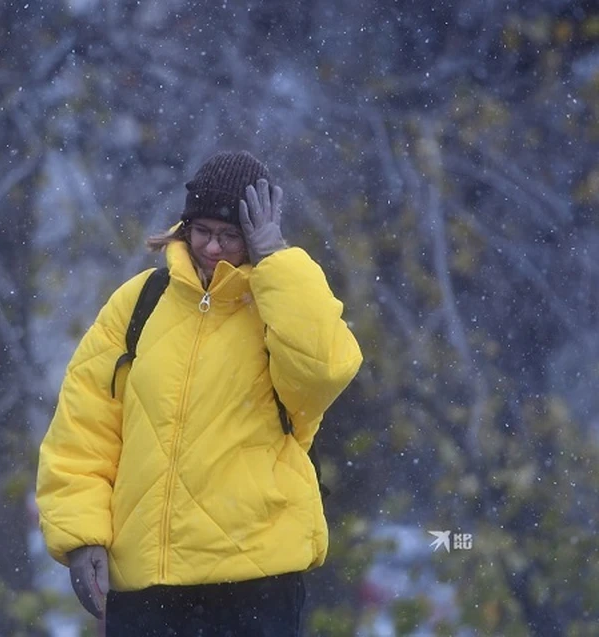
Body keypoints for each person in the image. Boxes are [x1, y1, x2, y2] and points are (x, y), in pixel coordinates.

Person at [35, 150, 363, 636]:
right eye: (203, 230)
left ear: (254, 236)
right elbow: (83, 429)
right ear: (185, 227)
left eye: (231, 235)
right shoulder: (140, 302)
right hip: (149, 586)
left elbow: (323, 373)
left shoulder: (280, 304)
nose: (213, 247)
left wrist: (275, 258)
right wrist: (82, 535)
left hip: (256, 582)